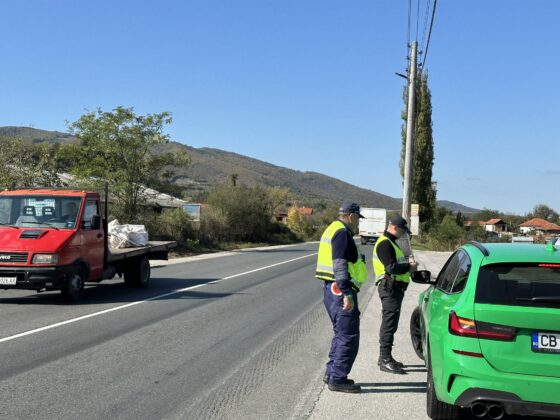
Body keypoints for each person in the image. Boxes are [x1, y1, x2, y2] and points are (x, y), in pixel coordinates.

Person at [315, 200, 367, 393]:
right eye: (357, 219)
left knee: (340, 333)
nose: (357, 223)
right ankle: (337, 378)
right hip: (340, 290)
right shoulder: (342, 233)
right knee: (348, 336)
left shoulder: (332, 229)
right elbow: (339, 264)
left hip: (331, 289)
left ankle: (332, 373)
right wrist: (347, 293)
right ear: (351, 216)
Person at [372, 215, 417, 374]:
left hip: (394, 288)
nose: (403, 234)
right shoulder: (384, 243)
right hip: (389, 288)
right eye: (402, 231)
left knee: (392, 323)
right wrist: (409, 267)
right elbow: (391, 268)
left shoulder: (391, 242)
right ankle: (384, 359)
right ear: (395, 227)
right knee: (389, 324)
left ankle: (387, 357)